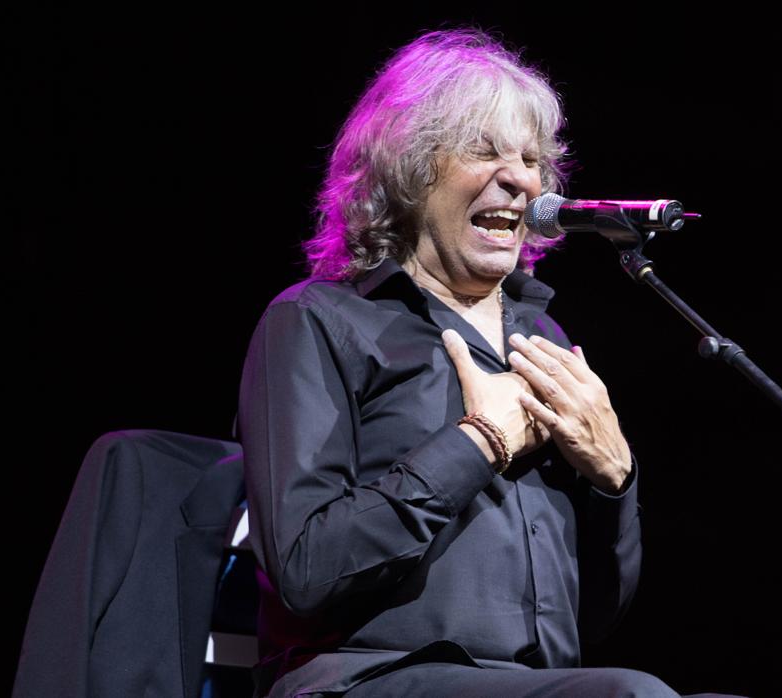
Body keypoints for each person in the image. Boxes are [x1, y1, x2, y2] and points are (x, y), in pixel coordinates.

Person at [238, 29, 735, 698]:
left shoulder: (546, 341)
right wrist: (479, 441)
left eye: (532, 159)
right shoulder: (317, 322)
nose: (521, 178)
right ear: (409, 169)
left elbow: (596, 616)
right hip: (366, 678)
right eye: (484, 150)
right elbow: (306, 570)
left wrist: (613, 479)